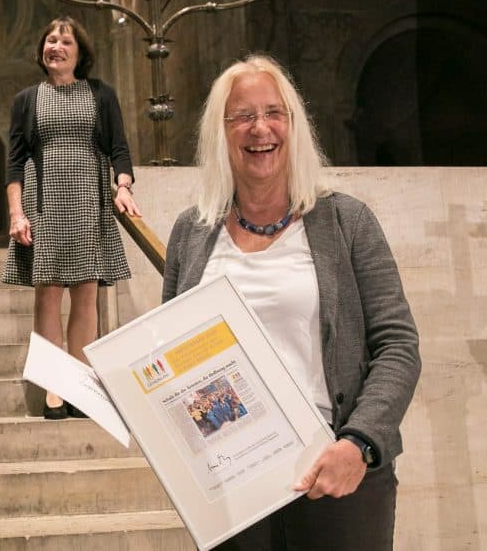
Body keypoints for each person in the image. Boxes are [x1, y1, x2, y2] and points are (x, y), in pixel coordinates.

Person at [163, 55, 420, 550]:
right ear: (221, 132)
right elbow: (176, 359)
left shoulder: (348, 222)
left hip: (336, 472)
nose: (260, 128)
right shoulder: (190, 234)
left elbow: (398, 345)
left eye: (273, 112)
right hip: (232, 485)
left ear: (294, 125)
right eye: (242, 115)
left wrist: (359, 443)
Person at [1, 17, 141, 419]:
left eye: (64, 41)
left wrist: (124, 185)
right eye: (50, 40)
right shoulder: (27, 100)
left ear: (80, 52)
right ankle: (53, 388)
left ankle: (80, 385)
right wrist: (17, 213)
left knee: (85, 295)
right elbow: (14, 163)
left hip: (88, 201)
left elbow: (119, 148)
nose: (56, 46)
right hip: (44, 203)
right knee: (47, 295)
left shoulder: (101, 94)